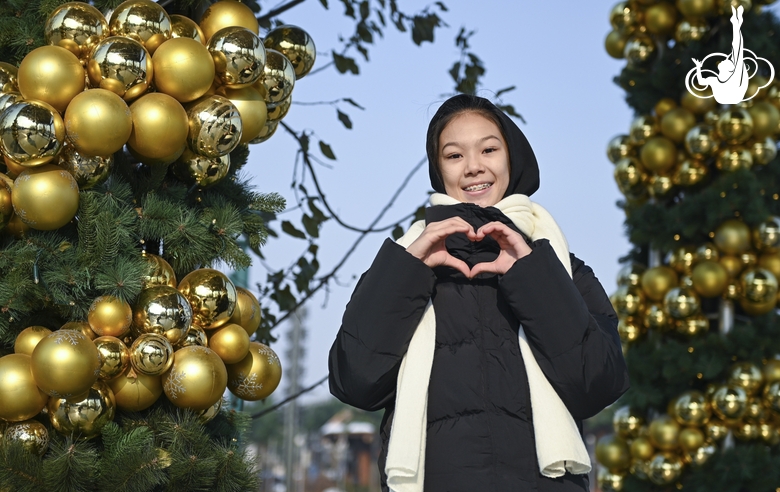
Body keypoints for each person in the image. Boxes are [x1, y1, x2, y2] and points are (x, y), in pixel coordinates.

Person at [328, 94, 629, 492]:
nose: (473, 167)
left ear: (513, 157)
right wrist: (407, 272)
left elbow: (599, 385)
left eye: (489, 149)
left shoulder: (558, 265)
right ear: (439, 169)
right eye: (454, 156)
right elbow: (355, 382)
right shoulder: (406, 264)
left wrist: (532, 274)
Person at [692, 6, 748, 104]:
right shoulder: (715, 80)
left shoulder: (734, 77)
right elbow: (701, 81)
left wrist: (736, 26)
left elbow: (737, 46)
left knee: (737, 51)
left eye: (726, 61)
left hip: (732, 98)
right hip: (726, 99)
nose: (725, 60)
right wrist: (698, 67)